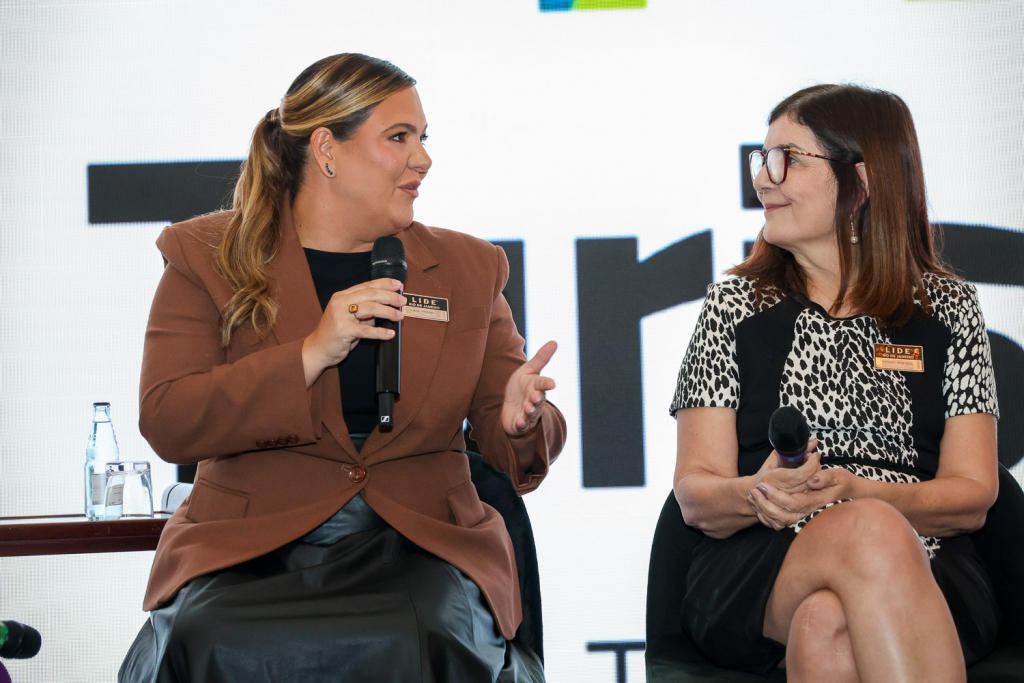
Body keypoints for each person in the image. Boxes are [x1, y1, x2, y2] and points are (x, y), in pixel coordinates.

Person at [119, 53, 565, 683]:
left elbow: (505, 433)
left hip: (419, 543)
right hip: (247, 545)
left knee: (425, 636)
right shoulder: (208, 255)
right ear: (327, 148)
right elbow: (169, 418)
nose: (423, 159)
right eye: (398, 137)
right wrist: (310, 353)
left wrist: (522, 421)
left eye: (423, 138)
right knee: (210, 640)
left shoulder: (468, 267)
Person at [670, 84, 999, 683]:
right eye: (762, 159)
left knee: (826, 627)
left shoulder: (948, 308)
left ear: (862, 181)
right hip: (763, 562)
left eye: (786, 160)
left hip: (932, 564)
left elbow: (974, 496)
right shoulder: (733, 306)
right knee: (867, 531)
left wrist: (860, 493)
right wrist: (758, 491)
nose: (762, 180)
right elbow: (696, 495)